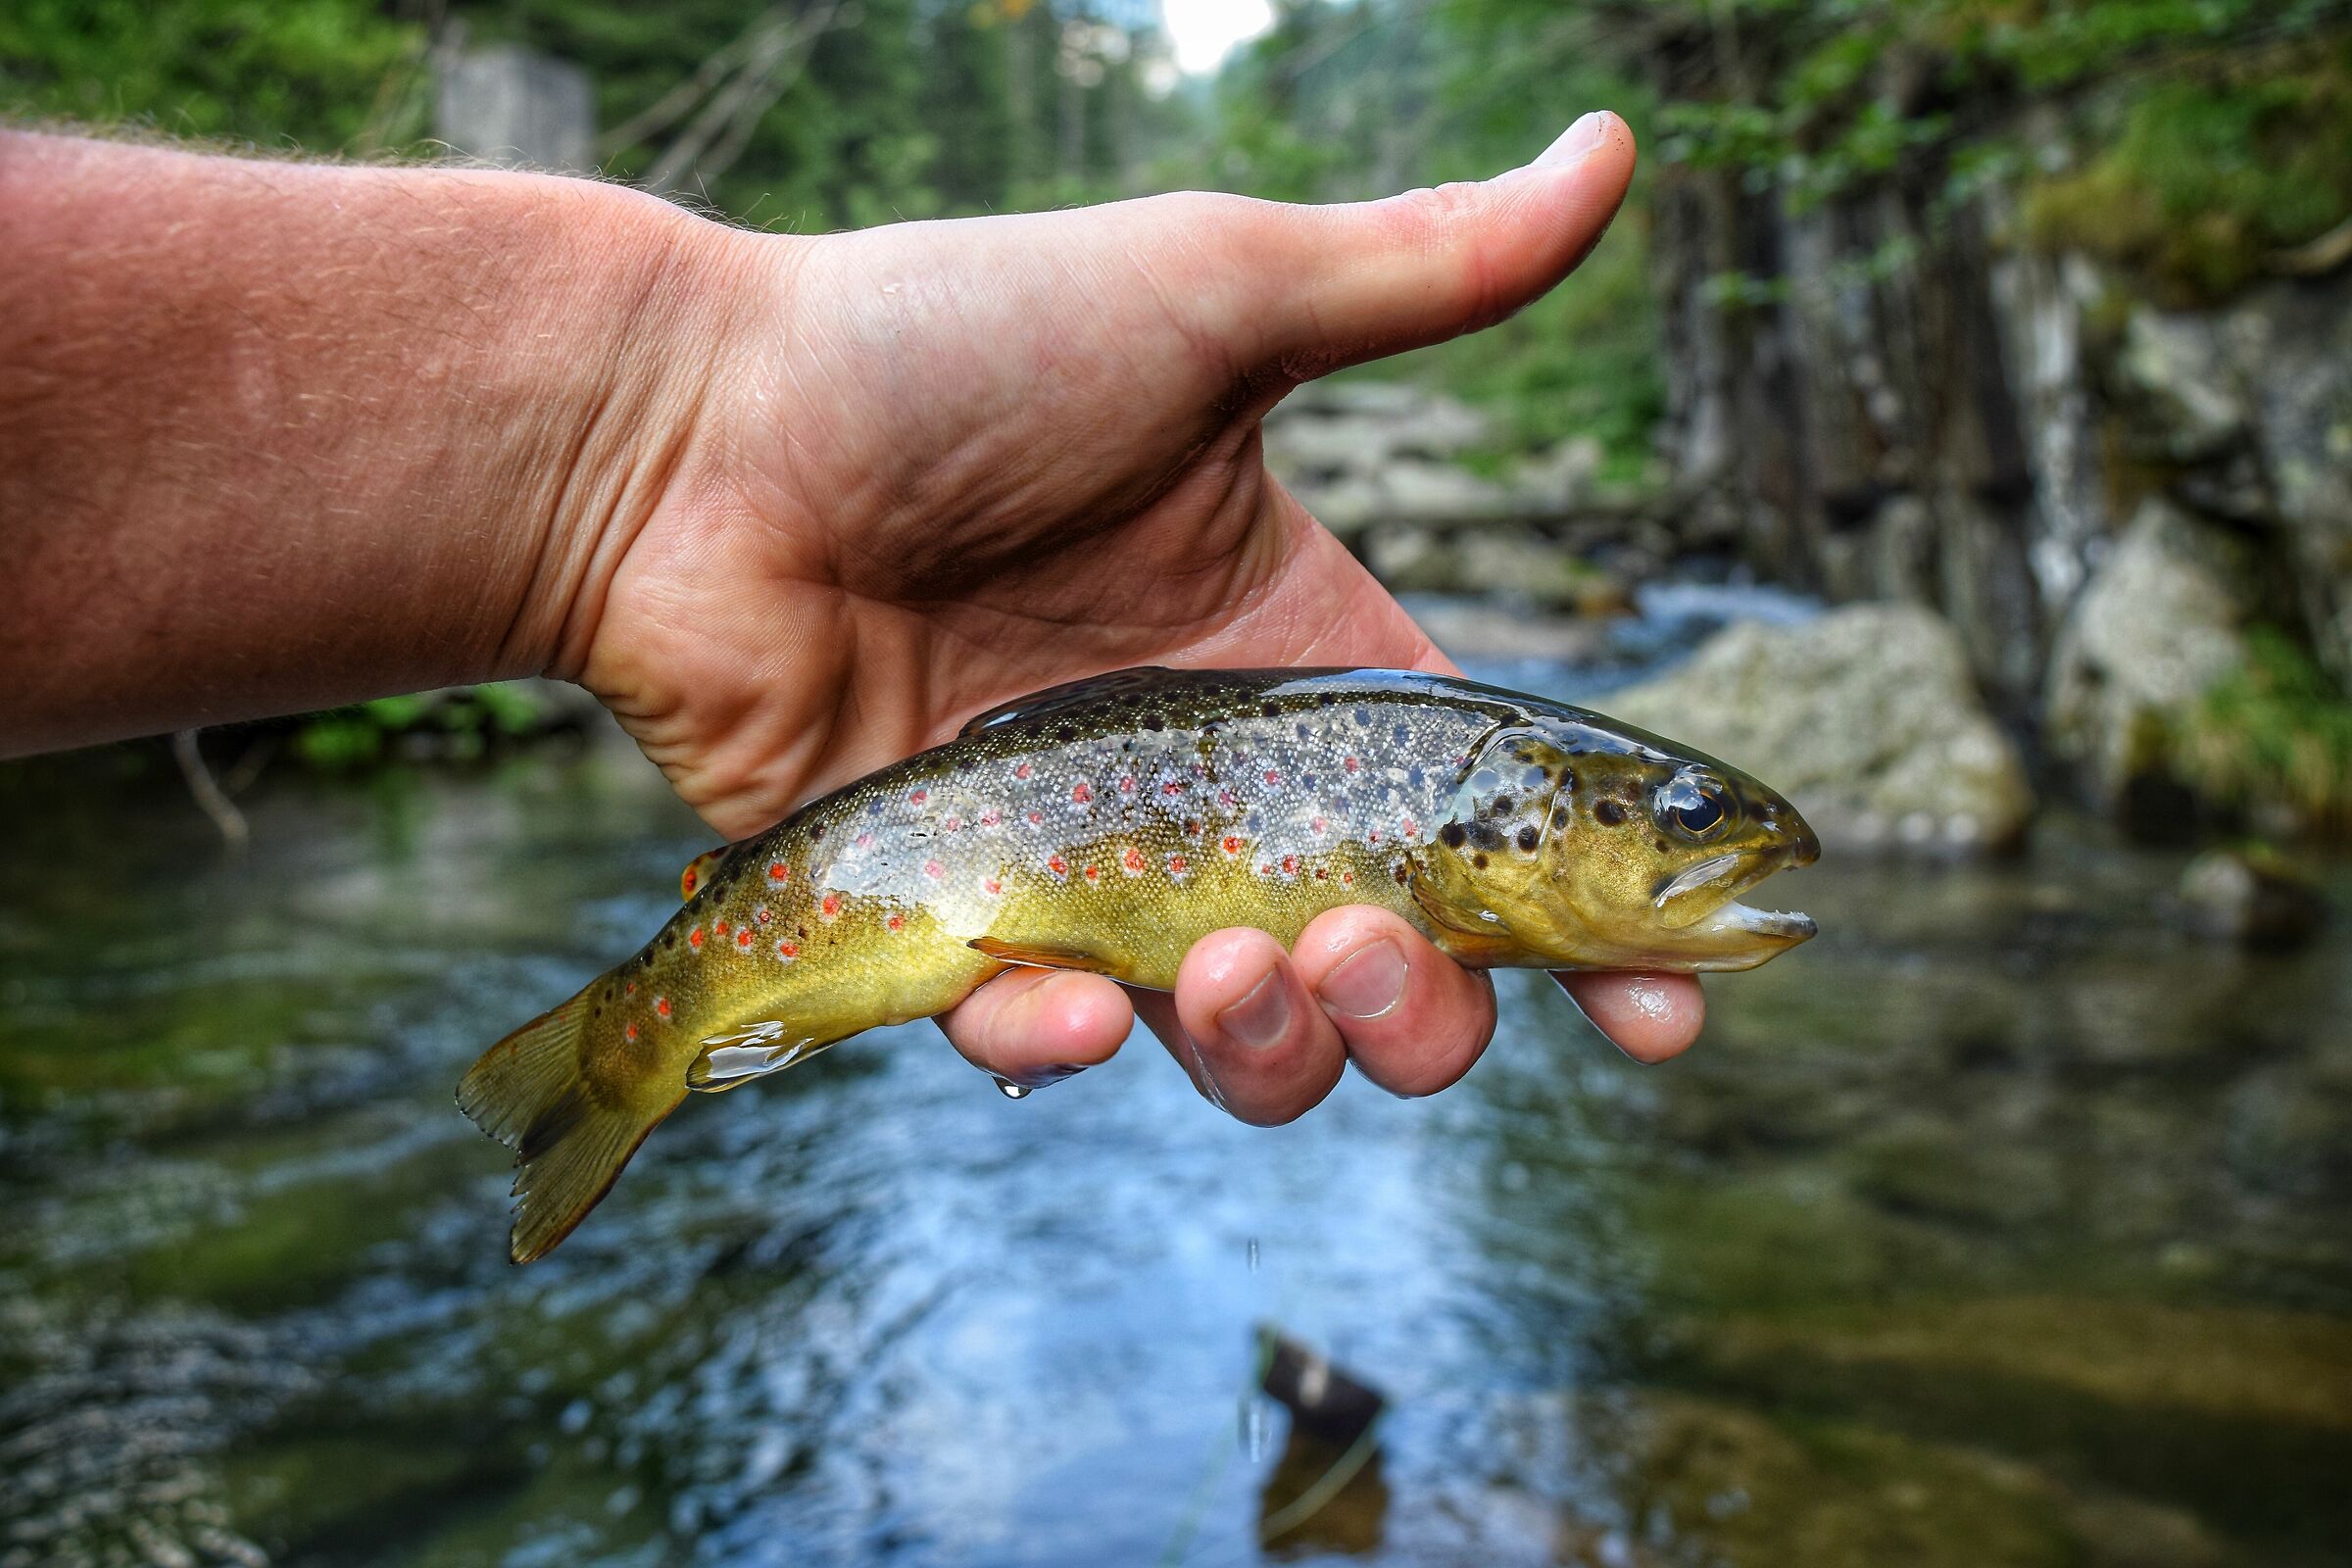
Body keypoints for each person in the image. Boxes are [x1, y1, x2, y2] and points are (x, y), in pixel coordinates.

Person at [0, 113, 1705, 1124]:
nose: (1708, 842)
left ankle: (646, 1043)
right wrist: (674, 430)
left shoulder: (1450, 774)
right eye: (1677, 818)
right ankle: (626, 1052)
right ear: (1527, 820)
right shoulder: (1447, 763)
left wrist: (665, 440)